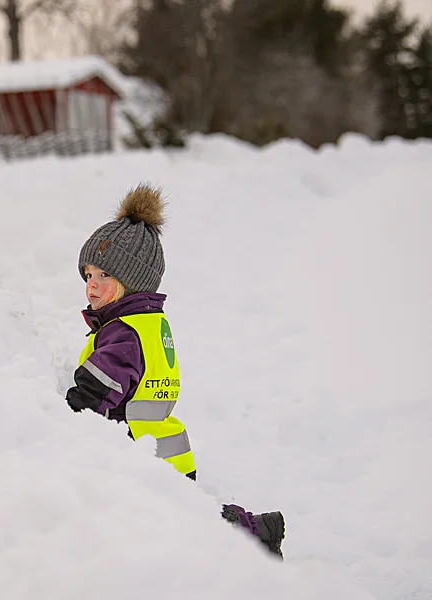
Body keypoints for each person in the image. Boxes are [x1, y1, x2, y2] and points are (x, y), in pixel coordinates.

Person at [65, 183, 285, 560]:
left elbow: (97, 389)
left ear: (133, 280)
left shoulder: (124, 332)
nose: (92, 286)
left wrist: (63, 416)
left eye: (104, 275)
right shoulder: (148, 322)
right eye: (87, 275)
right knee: (191, 520)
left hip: (144, 457)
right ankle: (257, 532)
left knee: (185, 529)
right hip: (163, 452)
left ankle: (255, 541)